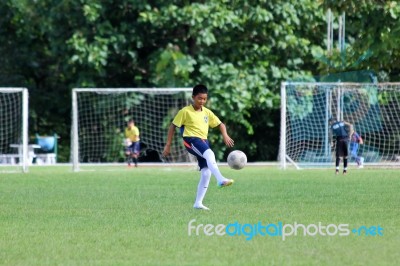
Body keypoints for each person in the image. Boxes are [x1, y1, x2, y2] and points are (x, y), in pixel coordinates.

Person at [162, 84, 235, 210]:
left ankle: (198, 203)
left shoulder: (207, 112)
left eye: (204, 99)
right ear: (193, 97)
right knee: (210, 154)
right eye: (199, 98)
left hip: (203, 141)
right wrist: (168, 145)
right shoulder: (185, 111)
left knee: (206, 173)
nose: (202, 101)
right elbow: (173, 126)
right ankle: (220, 179)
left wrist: (225, 135)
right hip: (191, 140)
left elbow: (221, 124)